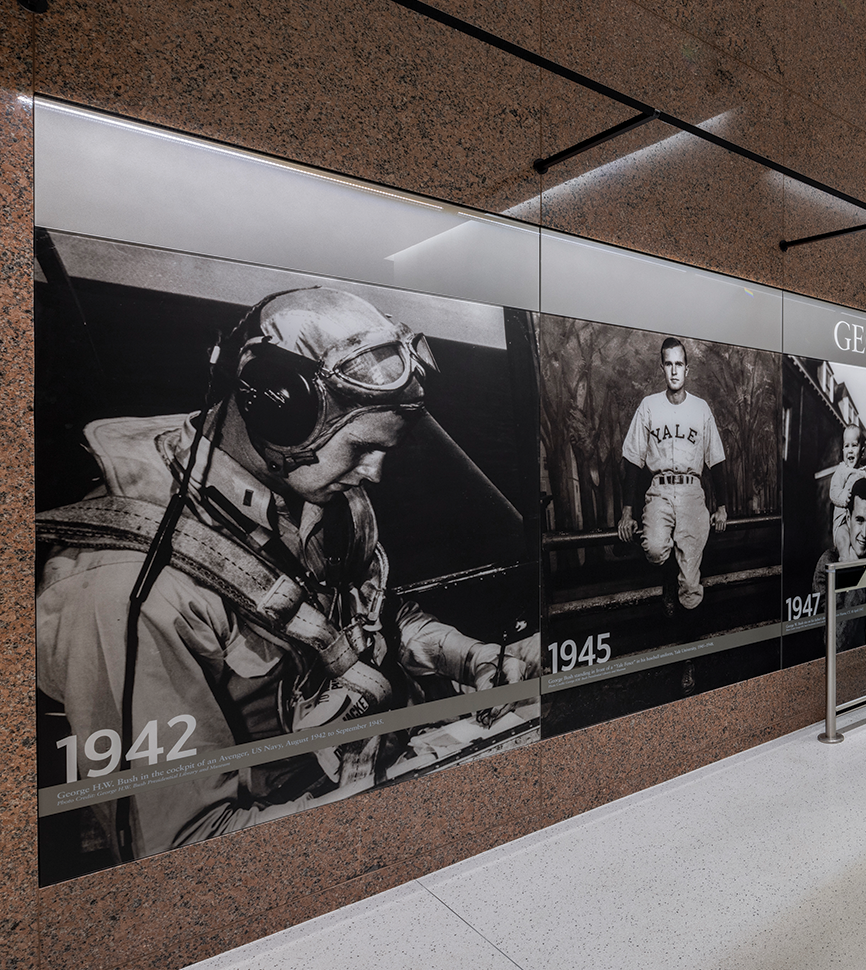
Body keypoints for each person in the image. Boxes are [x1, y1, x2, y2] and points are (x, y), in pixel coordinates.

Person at [35, 287, 534, 862]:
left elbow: (370, 613)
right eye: (364, 448)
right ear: (279, 407)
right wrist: (421, 806)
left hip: (357, 778)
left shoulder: (323, 495)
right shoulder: (124, 592)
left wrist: (472, 659)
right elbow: (188, 852)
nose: (376, 473)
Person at [617, 337, 729, 618]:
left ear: (687, 369)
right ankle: (670, 576)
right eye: (669, 364)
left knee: (691, 583)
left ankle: (687, 642)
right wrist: (627, 511)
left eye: (679, 364)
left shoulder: (701, 408)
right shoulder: (649, 406)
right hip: (660, 491)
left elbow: (716, 461)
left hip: (692, 492)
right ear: (662, 368)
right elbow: (632, 460)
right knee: (655, 548)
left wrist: (722, 506)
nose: (674, 370)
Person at [811, 477, 866, 649]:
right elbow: (836, 642)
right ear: (848, 518)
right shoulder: (827, 565)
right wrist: (859, 578)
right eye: (859, 520)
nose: (864, 533)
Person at [827, 424, 866, 557]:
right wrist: (844, 497)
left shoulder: (864, 474)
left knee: (864, 549)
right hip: (842, 522)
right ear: (842, 450)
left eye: (854, 445)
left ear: (862, 451)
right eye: (847, 446)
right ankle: (844, 562)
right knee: (844, 543)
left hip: (858, 523)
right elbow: (833, 492)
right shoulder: (841, 471)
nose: (850, 450)